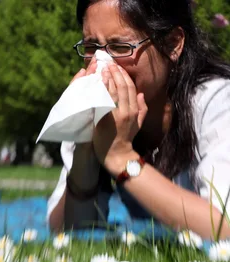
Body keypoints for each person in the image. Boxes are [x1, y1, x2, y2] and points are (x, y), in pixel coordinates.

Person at [47, 0, 230, 240]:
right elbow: (66, 234)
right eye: (91, 47)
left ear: (173, 44)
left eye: (120, 47)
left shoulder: (217, 101)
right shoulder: (97, 108)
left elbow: (223, 228)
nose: (101, 64)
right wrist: (85, 149)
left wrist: (121, 157)